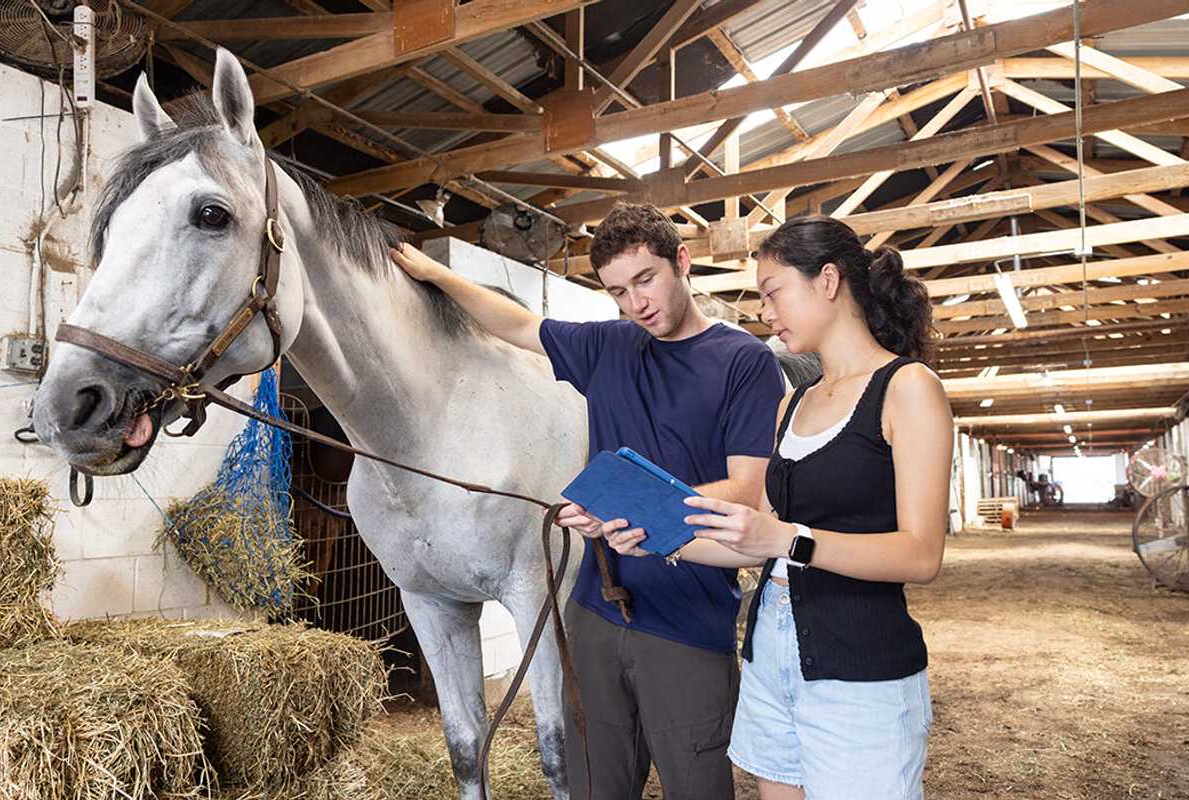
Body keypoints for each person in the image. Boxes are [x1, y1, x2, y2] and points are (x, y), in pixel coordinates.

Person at [390, 201, 785, 799]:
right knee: (596, 784)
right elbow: (519, 326)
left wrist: (626, 511)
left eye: (645, 280)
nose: (636, 304)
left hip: (687, 616)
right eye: (618, 292)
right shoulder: (610, 346)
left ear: (681, 261)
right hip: (598, 607)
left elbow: (745, 490)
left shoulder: (743, 362)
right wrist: (440, 275)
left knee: (696, 785)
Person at [609, 215, 953, 800]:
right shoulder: (791, 404)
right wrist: (654, 534)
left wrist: (789, 540)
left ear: (827, 280)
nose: (766, 313)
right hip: (771, 654)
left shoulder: (907, 388)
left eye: (773, 293)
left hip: (860, 672)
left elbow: (920, 555)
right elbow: (749, 536)